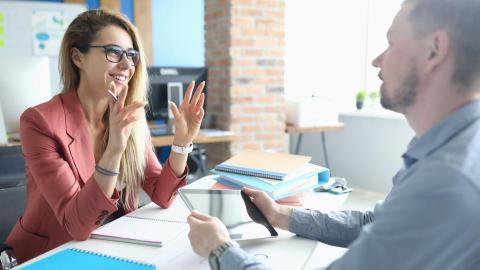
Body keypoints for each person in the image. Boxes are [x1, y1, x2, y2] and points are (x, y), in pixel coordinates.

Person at [187, 0, 480, 269]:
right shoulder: (448, 146)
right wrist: (280, 215)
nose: (377, 60)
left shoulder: (446, 181)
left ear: (434, 50)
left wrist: (219, 249)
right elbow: (371, 222)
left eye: (391, 43)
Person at [5, 9, 205, 263]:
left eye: (132, 55)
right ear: (78, 57)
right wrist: (114, 149)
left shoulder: (129, 116)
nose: (127, 65)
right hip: (52, 254)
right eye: (114, 52)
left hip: (113, 245)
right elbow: (77, 226)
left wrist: (181, 143)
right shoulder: (40, 122)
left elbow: (162, 195)